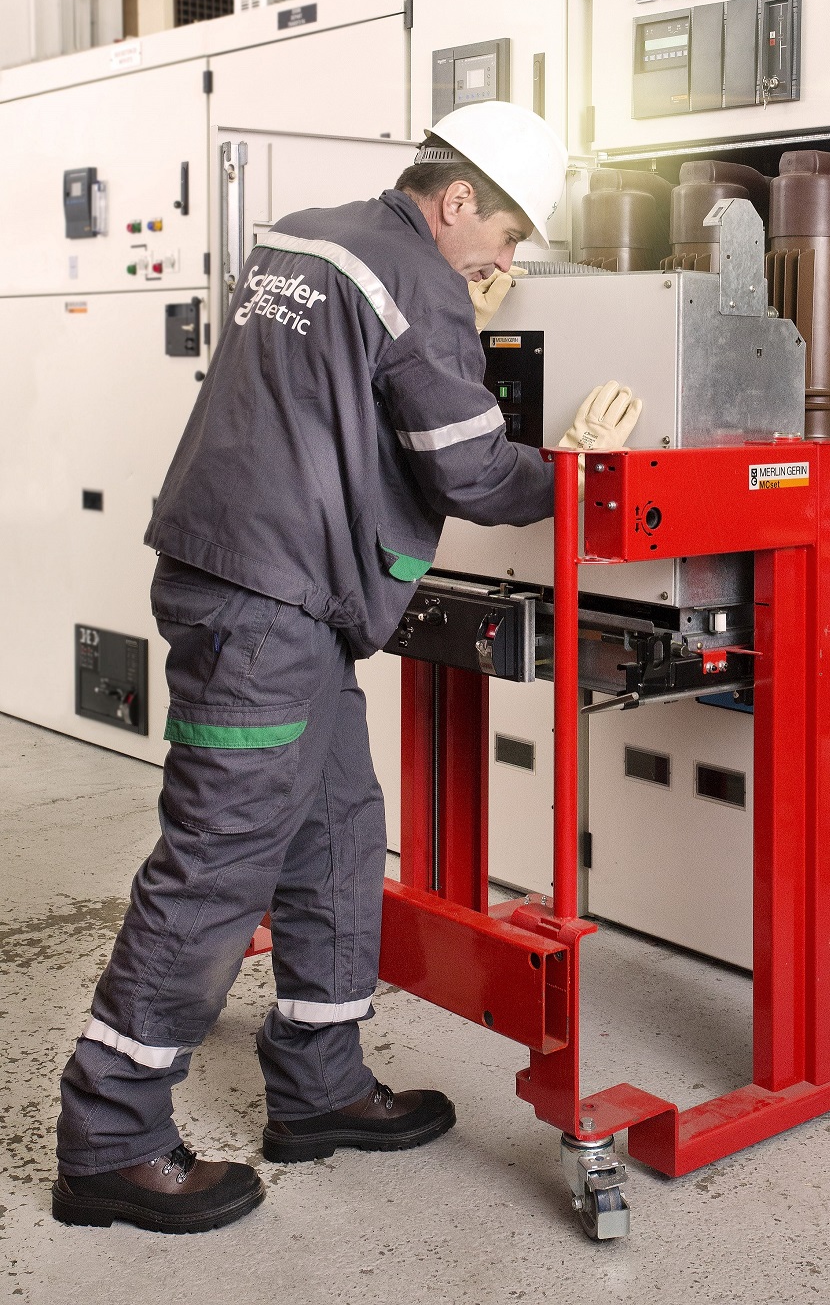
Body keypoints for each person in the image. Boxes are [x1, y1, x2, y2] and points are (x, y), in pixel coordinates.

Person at [52, 101, 642, 1234]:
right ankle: (109, 1137)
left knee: (335, 829)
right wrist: (573, 469)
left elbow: (339, 391)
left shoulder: (307, 235)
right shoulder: (416, 282)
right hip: (266, 607)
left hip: (271, 589)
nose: (502, 264)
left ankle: (318, 1086)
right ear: (457, 200)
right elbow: (472, 472)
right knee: (219, 858)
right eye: (504, 236)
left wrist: (449, 326)